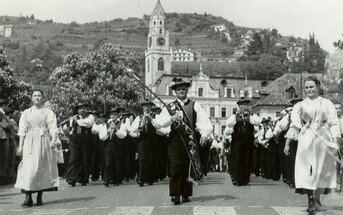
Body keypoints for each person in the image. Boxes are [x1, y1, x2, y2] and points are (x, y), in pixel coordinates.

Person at [284, 76, 340, 214]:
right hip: (307, 137)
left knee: (322, 168)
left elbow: (333, 123)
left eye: (311, 87)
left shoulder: (327, 103)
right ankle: (310, 199)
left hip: (323, 137)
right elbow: (295, 124)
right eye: (307, 87)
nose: (309, 90)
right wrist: (287, 144)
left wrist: (336, 142)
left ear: (318, 86)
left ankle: (318, 199)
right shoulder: (300, 105)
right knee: (307, 168)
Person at [152, 77, 213, 205]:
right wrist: (171, 118)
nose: (181, 91)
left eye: (183, 89)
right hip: (174, 141)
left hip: (190, 141)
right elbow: (158, 124)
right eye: (178, 89)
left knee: (187, 167)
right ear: (175, 91)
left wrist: (204, 134)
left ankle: (185, 193)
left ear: (187, 90)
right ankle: (175, 194)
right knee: (175, 167)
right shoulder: (169, 107)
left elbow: (204, 121)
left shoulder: (194, 105)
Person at [14, 90, 59, 207]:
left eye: (39, 95)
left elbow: (53, 126)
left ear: (42, 98)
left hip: (43, 140)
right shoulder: (26, 112)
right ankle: (27, 196)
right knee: (28, 168)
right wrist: (20, 145)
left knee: (40, 168)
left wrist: (53, 139)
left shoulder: (48, 112)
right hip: (29, 141)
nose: (37, 97)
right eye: (35, 96)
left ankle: (39, 195)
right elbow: (22, 130)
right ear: (32, 98)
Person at [65, 103, 95, 187]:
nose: (82, 110)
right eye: (80, 109)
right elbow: (68, 127)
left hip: (86, 140)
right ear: (78, 110)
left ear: (86, 109)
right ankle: (72, 178)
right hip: (75, 140)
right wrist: (70, 133)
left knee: (85, 159)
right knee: (74, 158)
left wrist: (77, 120)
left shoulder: (90, 116)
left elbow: (87, 124)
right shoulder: (74, 117)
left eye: (83, 108)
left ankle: (83, 179)